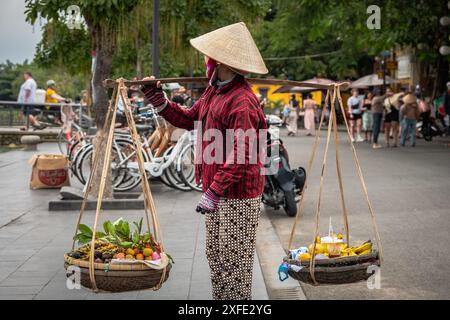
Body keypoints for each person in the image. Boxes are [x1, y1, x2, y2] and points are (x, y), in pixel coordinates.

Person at [142, 22, 268, 300]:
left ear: (219, 62)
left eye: (208, 58)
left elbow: (243, 153)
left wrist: (214, 190)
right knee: (217, 259)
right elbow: (189, 119)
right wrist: (158, 99)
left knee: (234, 266)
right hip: (217, 192)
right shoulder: (214, 92)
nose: (205, 62)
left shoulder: (242, 101)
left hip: (237, 195)